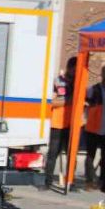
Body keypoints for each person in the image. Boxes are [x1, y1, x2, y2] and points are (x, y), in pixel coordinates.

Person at [41, 56, 77, 190]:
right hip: (57, 122)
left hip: (72, 124)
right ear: (69, 68)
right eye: (74, 69)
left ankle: (70, 182)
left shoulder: (78, 83)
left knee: (71, 155)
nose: (75, 72)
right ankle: (47, 181)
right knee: (53, 154)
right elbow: (50, 102)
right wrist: (67, 101)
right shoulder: (57, 82)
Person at [83, 64, 105, 192]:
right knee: (90, 156)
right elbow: (84, 104)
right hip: (93, 128)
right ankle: (89, 181)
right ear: (102, 73)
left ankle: (102, 182)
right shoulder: (93, 89)